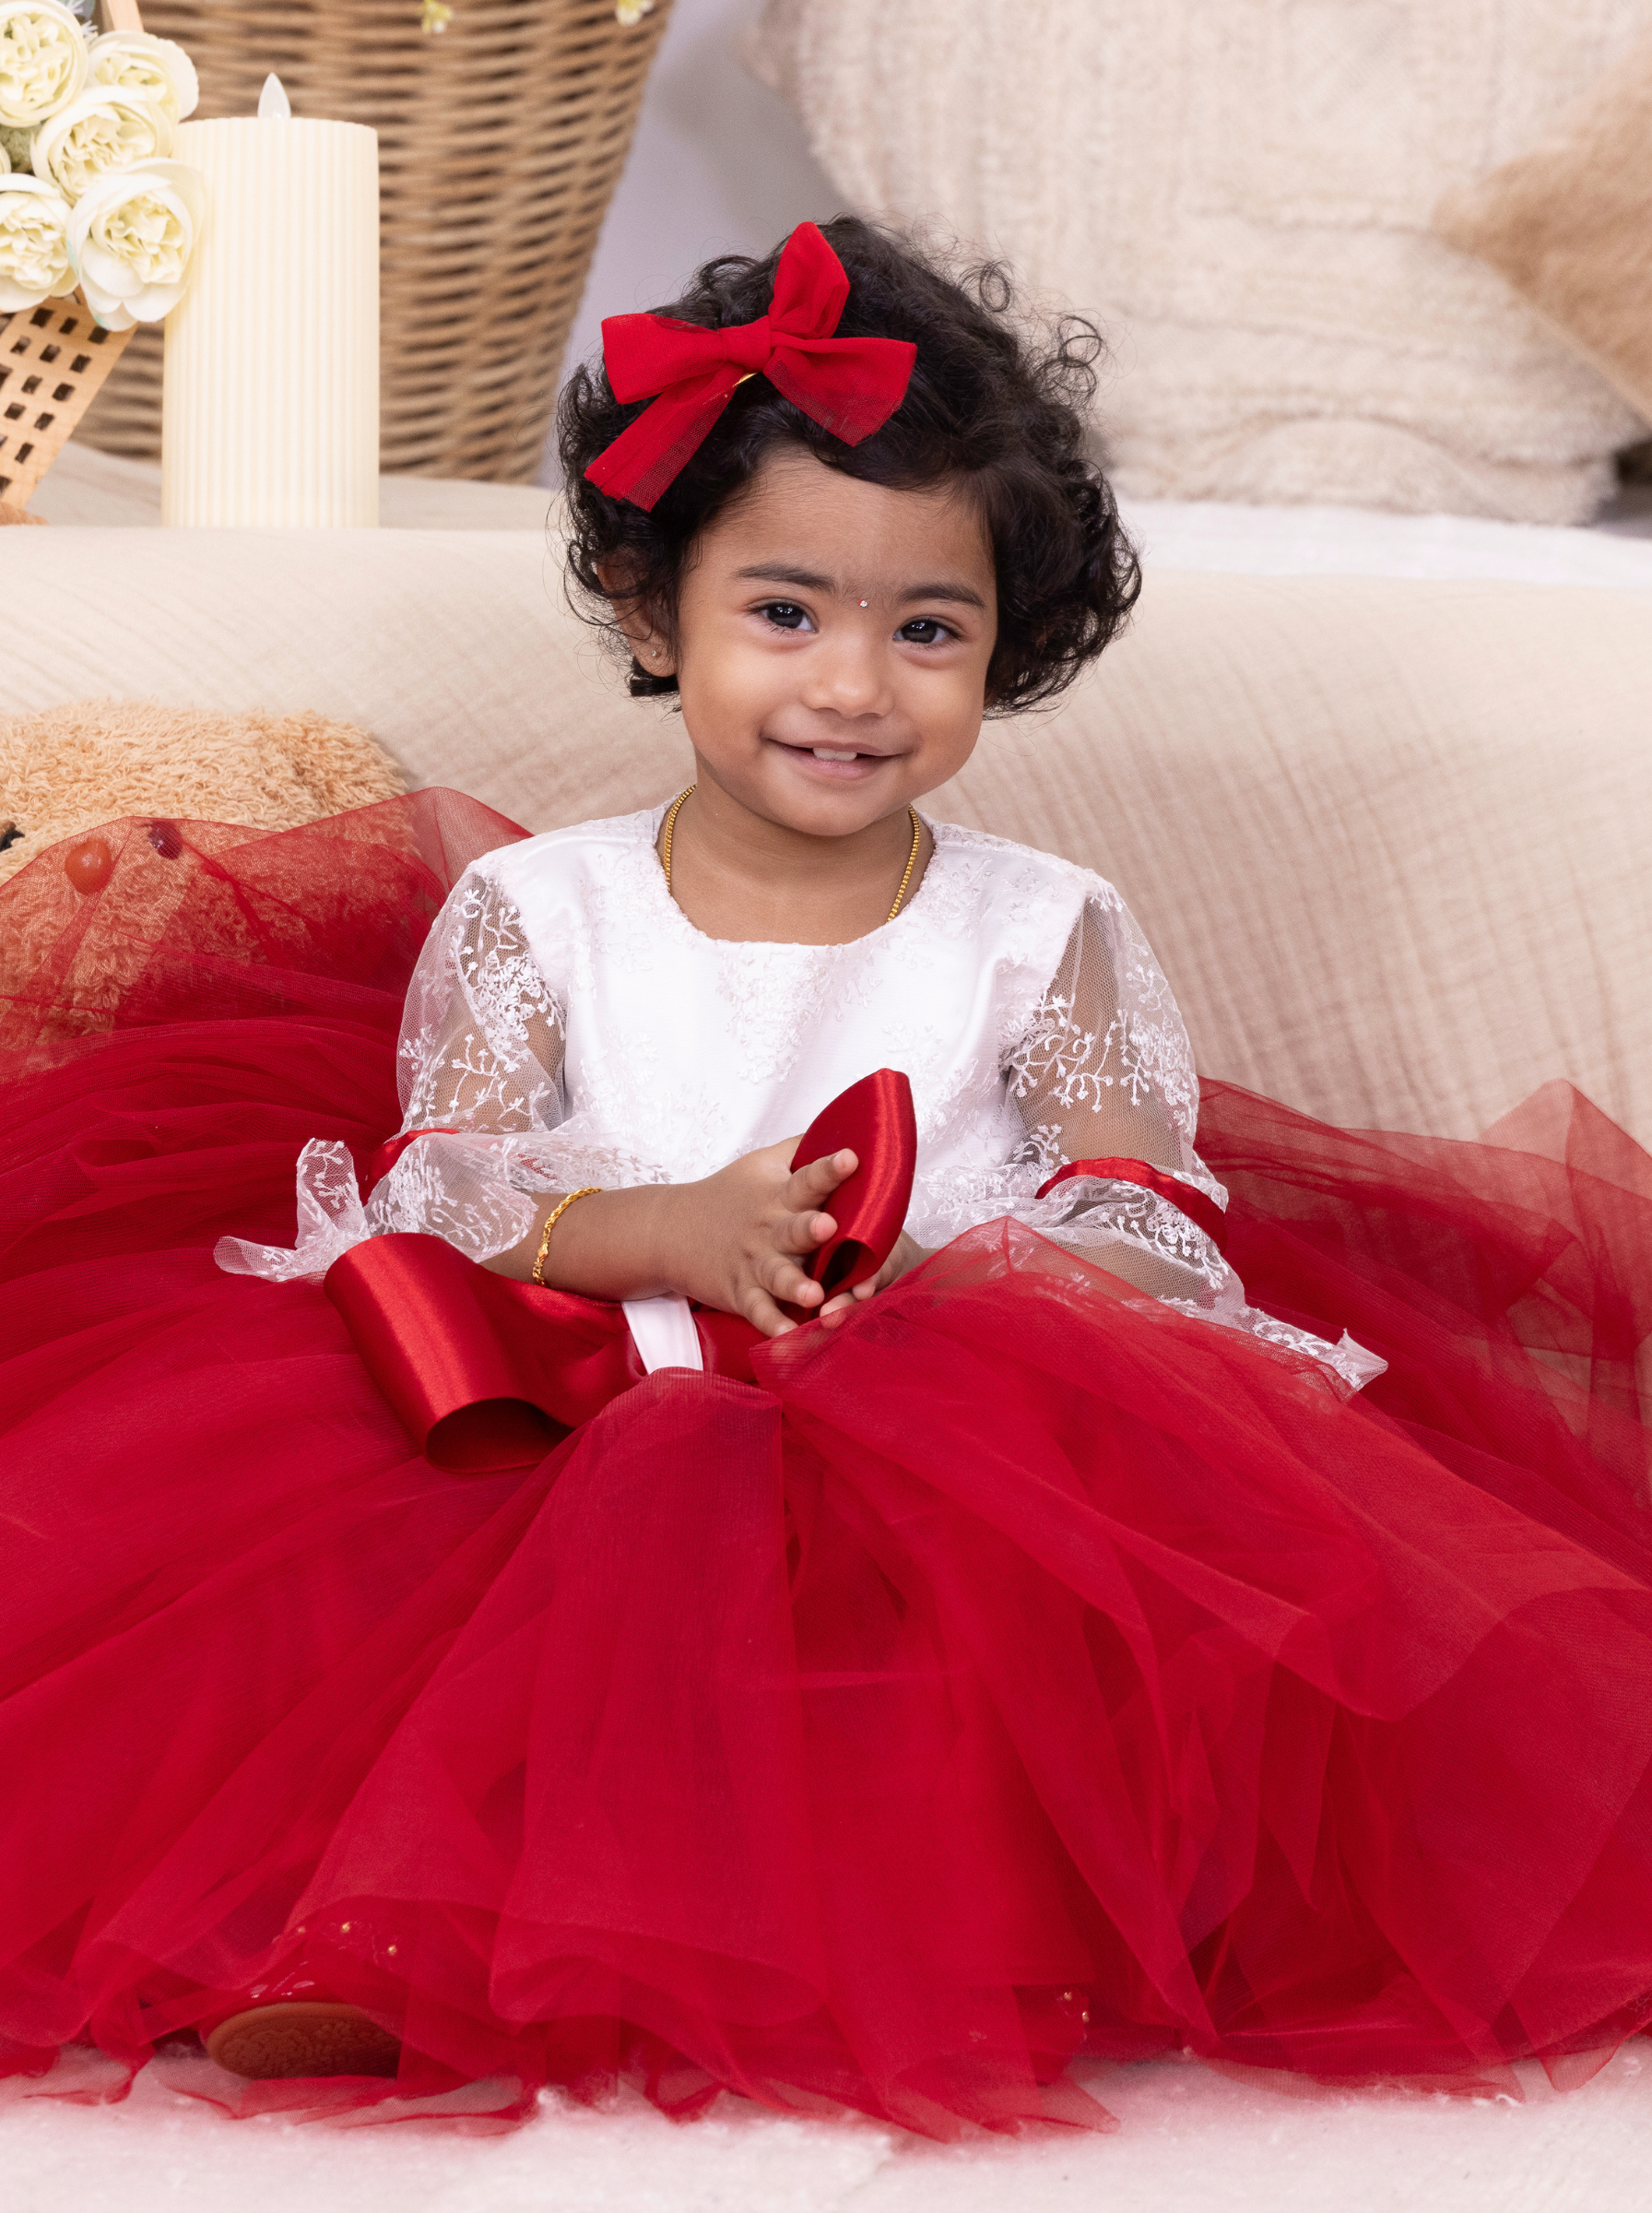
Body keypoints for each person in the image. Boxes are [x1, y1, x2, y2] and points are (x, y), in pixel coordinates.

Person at [2, 218, 1651, 2139]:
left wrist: (980, 1283)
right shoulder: (539, 907)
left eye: (925, 629)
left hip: (939, 1391)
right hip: (583, 1367)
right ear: (651, 609)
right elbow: (444, 1182)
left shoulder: (1041, 924)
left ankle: (948, 1930)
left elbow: (1145, 1203)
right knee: (381, 1554)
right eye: (785, 612)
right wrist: (667, 1232)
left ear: (1009, 645)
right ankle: (363, 1936)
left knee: (968, 1601)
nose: (854, 683)